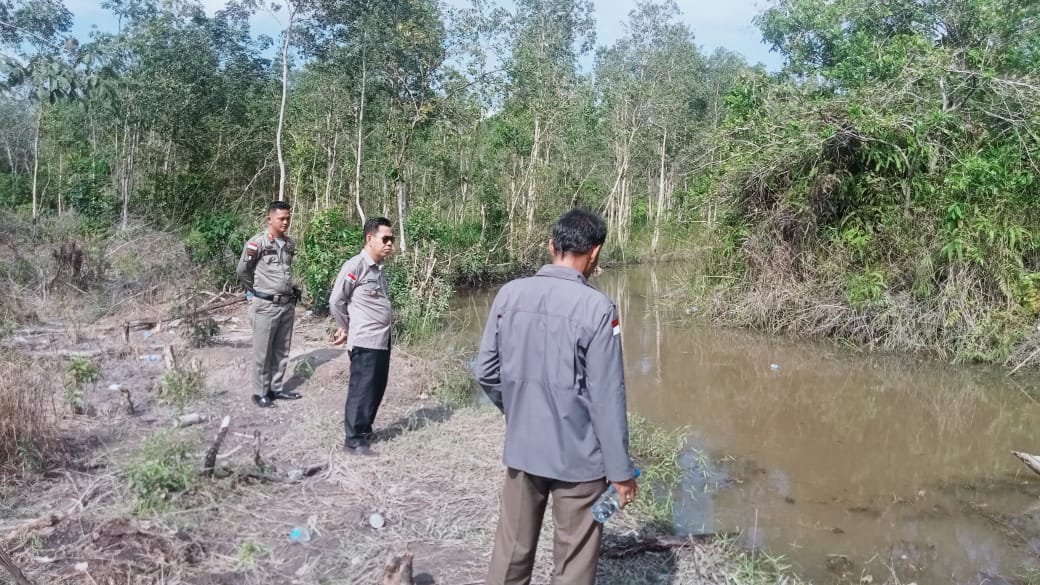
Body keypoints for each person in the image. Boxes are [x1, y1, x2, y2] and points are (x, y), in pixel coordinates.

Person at [473, 208, 639, 585]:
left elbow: (485, 371)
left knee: (510, 552)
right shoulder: (598, 308)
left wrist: (516, 408)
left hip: (523, 450)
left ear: (551, 245)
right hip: (580, 462)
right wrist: (621, 472)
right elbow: (607, 398)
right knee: (575, 559)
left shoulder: (509, 294)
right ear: (594, 253)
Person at [329, 217, 395, 455]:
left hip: (381, 340)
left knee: (376, 387)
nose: (390, 245)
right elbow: (336, 301)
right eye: (385, 239)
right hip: (365, 340)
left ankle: (365, 430)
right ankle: (353, 440)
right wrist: (347, 327)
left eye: (392, 240)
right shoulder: (356, 266)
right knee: (362, 388)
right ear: (370, 239)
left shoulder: (378, 271)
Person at [236, 200, 302, 408]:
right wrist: (256, 291)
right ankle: (260, 392)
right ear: (270, 219)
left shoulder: (289, 244)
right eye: (281, 218)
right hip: (265, 305)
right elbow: (243, 271)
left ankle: (275, 388)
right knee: (262, 351)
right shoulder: (258, 243)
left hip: (286, 304)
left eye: (288, 219)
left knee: (282, 350)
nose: (285, 222)